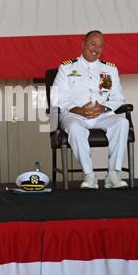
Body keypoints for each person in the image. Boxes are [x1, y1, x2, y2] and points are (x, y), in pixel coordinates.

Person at [53, 30, 129, 189]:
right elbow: (57, 98)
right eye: (92, 44)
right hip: (75, 115)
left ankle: (113, 175)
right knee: (74, 127)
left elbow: (118, 98)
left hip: (101, 115)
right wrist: (79, 110)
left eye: (100, 46)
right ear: (83, 44)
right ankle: (89, 175)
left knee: (122, 122)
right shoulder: (66, 68)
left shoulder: (109, 69)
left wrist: (103, 107)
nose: (96, 49)